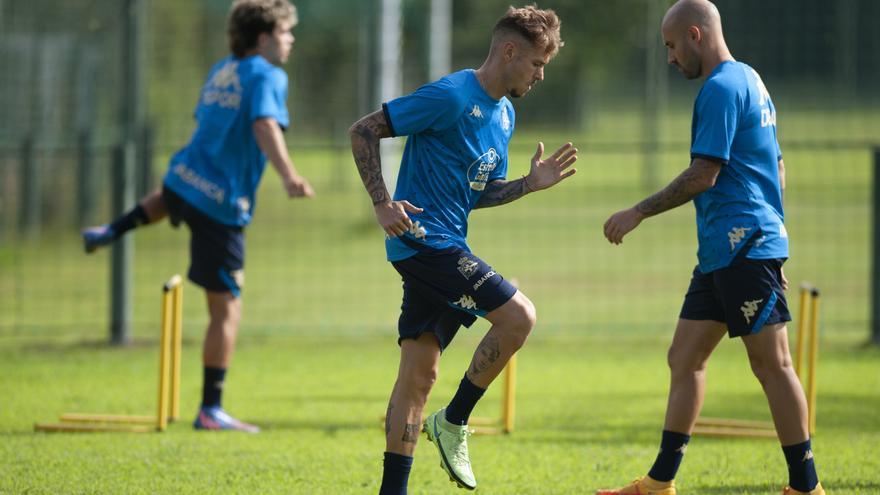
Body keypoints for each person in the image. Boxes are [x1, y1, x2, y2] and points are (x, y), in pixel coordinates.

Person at [597, 1, 822, 494]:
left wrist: (637, 212)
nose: (671, 58)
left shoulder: (720, 88)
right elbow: (777, 167)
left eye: (672, 46)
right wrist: (776, 238)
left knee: (772, 364)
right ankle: (660, 483)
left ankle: (807, 488)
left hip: (742, 244)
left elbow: (705, 173)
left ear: (695, 35)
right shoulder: (752, 80)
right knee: (685, 357)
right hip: (728, 250)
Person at [349, 6, 575, 493]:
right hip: (424, 242)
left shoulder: (506, 114)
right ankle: (454, 421)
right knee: (520, 317)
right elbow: (363, 130)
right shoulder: (451, 96)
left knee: (419, 373)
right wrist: (382, 202)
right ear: (510, 50)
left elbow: (482, 192)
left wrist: (527, 185)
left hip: (449, 242)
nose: (540, 76)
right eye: (537, 64)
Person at [81, 0, 313, 433]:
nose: (290, 40)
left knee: (169, 199)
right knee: (227, 310)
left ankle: (111, 229)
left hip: (185, 176)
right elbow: (264, 125)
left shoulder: (223, 69)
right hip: (222, 203)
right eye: (284, 33)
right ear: (263, 39)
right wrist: (289, 176)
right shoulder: (268, 74)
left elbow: (208, 121)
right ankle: (211, 408)